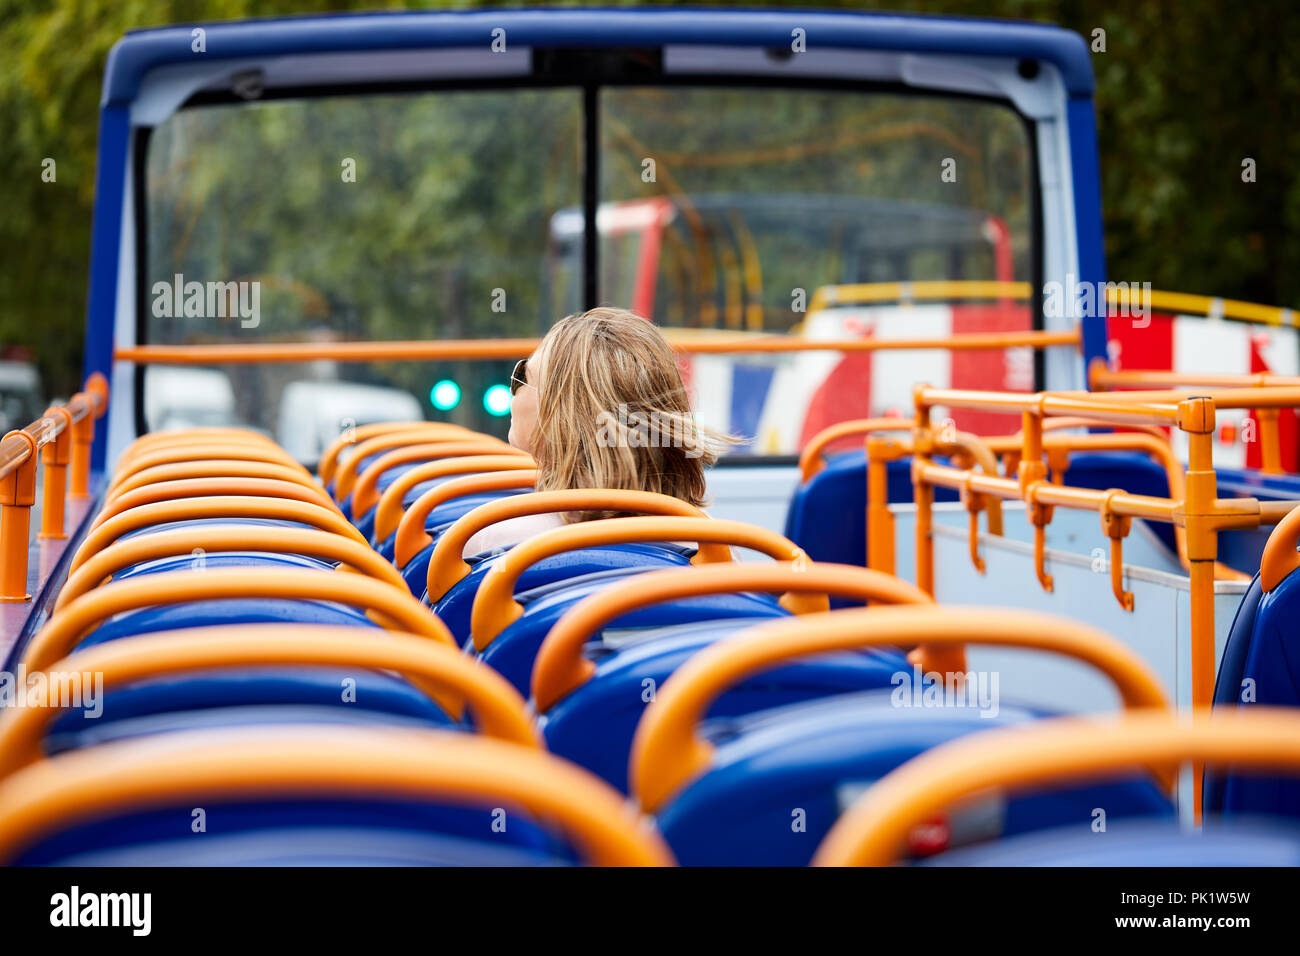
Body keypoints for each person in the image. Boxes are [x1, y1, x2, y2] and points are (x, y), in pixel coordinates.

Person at [462, 307, 738, 554]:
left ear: (562, 414)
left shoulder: (493, 543)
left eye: (523, 376)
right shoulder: (714, 547)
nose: (515, 388)